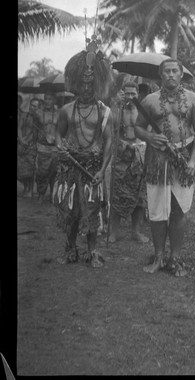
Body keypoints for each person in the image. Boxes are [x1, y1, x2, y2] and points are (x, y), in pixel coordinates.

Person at [135, 59, 195, 276]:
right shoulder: (150, 100)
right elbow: (137, 127)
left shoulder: (194, 100)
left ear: (182, 74)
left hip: (184, 158)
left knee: (179, 209)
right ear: (160, 75)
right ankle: (158, 257)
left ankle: (175, 258)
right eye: (167, 71)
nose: (171, 75)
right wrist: (148, 136)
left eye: (175, 71)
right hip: (157, 159)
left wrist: (193, 161)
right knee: (157, 210)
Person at [53, 45, 113, 268]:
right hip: (71, 165)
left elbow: (109, 142)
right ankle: (70, 250)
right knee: (70, 211)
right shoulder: (67, 110)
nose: (87, 88)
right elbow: (58, 135)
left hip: (92, 167)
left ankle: (93, 251)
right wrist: (61, 148)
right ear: (77, 85)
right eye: (83, 84)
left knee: (91, 210)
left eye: (91, 84)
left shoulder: (105, 112)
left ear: (96, 85)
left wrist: (101, 169)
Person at [108, 81, 148, 243]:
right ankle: (114, 231)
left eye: (133, 94)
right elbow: (111, 129)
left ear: (138, 94)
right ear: (123, 93)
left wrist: (141, 145)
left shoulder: (144, 110)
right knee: (117, 192)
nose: (130, 97)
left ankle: (136, 231)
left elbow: (148, 131)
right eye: (127, 93)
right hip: (121, 154)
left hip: (139, 154)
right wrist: (116, 104)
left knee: (139, 195)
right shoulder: (117, 109)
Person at [35, 92, 59, 202]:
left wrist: (56, 137)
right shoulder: (38, 113)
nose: (48, 101)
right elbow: (34, 127)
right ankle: (41, 194)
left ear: (54, 100)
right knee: (42, 173)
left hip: (55, 149)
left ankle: (52, 195)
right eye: (46, 99)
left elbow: (63, 130)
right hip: (42, 148)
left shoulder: (60, 113)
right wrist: (43, 135)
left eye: (50, 99)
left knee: (54, 172)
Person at [17, 97, 40, 197]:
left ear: (38, 108)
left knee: (30, 169)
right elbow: (19, 128)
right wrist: (21, 140)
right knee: (21, 169)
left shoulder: (39, 119)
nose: (32, 108)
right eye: (31, 105)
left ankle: (30, 190)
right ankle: (26, 187)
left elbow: (38, 134)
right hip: (22, 145)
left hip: (32, 147)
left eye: (35, 106)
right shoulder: (24, 115)